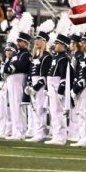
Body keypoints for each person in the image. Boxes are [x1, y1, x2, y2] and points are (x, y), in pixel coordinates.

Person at [45, 16, 74, 146]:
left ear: (63, 45)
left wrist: (61, 90)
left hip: (57, 87)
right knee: (53, 112)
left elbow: (64, 76)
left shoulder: (64, 59)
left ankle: (61, 137)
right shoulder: (57, 57)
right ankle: (56, 134)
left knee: (58, 112)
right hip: (52, 86)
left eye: (57, 43)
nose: (55, 45)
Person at [25, 19, 55, 143]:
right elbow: (32, 73)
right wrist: (29, 85)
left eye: (39, 40)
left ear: (44, 42)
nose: (36, 41)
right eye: (36, 39)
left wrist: (35, 88)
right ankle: (37, 131)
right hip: (34, 86)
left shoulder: (47, 56)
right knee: (35, 110)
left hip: (41, 87)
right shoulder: (36, 56)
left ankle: (41, 133)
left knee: (40, 110)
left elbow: (44, 77)